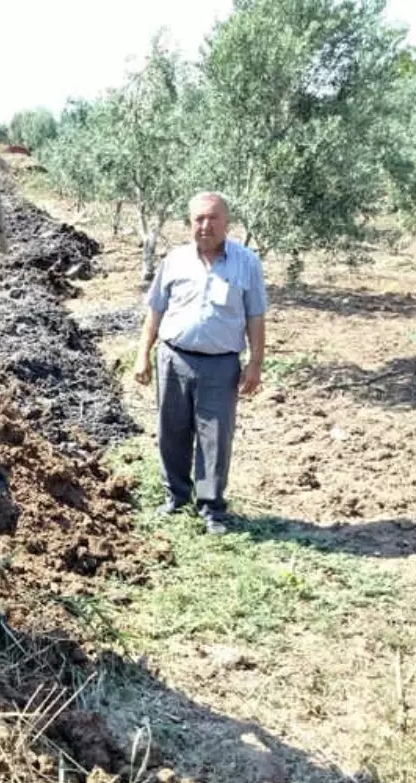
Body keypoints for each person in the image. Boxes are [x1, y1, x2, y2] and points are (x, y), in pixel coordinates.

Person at [133, 192, 267, 536]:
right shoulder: (175, 260)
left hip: (221, 365)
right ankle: (176, 497)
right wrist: (142, 354)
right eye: (198, 219)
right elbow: (155, 310)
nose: (205, 226)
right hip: (173, 357)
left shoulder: (246, 263)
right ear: (190, 222)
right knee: (171, 430)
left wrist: (255, 364)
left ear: (227, 222)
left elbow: (255, 316)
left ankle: (211, 508)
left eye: (213, 218)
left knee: (215, 436)